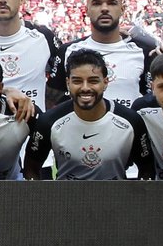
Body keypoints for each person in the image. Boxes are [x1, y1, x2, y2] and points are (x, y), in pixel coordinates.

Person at [24, 49, 154, 180]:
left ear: (105, 83)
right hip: (65, 199)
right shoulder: (49, 122)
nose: (85, 88)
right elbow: (31, 168)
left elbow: (147, 169)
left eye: (93, 81)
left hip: (116, 199)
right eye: (77, 81)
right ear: (68, 83)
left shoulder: (131, 121)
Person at [55, 0, 155, 109]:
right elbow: (53, 101)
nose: (104, 9)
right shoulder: (67, 51)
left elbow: (152, 100)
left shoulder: (144, 52)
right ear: (87, 10)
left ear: (122, 9)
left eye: (112, 3)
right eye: (96, 3)